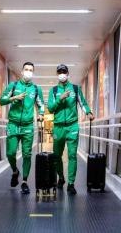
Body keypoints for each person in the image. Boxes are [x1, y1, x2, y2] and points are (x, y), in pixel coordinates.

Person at [48, 64, 94, 195]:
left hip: (72, 126)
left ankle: (71, 183)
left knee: (72, 155)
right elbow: (50, 108)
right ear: (57, 74)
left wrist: (88, 112)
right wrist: (60, 99)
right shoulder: (54, 91)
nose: (62, 74)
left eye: (64, 72)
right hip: (58, 127)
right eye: (59, 72)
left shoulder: (75, 88)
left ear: (68, 74)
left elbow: (82, 103)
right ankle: (61, 178)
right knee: (57, 156)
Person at [0, 62, 44, 194]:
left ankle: (24, 181)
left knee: (27, 154)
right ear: (22, 71)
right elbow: (2, 100)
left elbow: (41, 104)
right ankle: (15, 171)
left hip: (28, 126)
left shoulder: (36, 89)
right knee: (10, 153)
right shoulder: (13, 86)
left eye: (31, 70)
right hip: (13, 124)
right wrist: (14, 98)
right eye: (26, 69)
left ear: (33, 73)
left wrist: (41, 114)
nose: (28, 72)